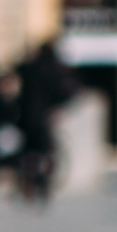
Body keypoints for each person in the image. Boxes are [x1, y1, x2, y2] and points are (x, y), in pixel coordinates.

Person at [15, 37, 79, 204]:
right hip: (43, 120)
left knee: (28, 154)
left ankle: (29, 184)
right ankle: (43, 184)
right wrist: (56, 108)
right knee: (47, 154)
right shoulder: (54, 70)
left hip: (26, 119)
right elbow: (69, 90)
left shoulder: (28, 68)